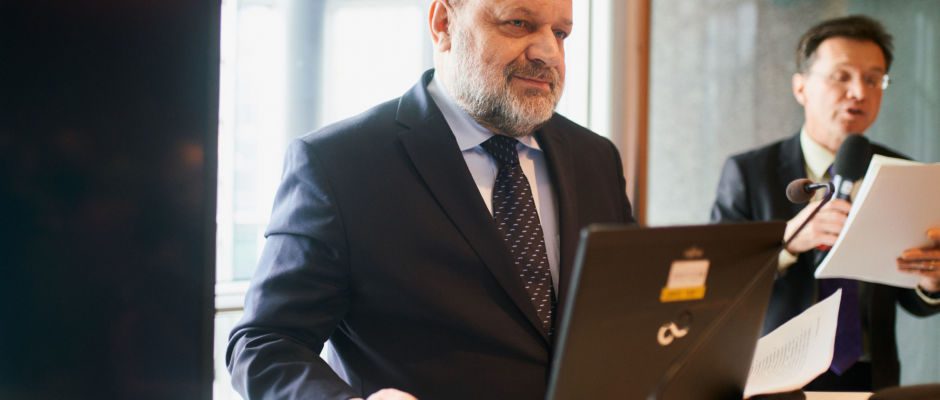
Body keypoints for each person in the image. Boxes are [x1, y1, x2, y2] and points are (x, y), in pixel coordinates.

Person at [226, 0, 634, 399]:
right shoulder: (340, 164)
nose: (548, 52)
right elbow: (264, 343)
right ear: (443, 23)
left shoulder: (595, 158)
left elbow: (629, 315)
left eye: (560, 33)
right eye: (518, 23)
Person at [711, 15, 940, 391]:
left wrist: (931, 281)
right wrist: (789, 242)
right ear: (801, 87)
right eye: (841, 76)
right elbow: (719, 279)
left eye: (873, 79)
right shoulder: (749, 173)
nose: (859, 92)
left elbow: (913, 299)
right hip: (773, 380)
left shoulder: (905, 174)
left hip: (871, 378)